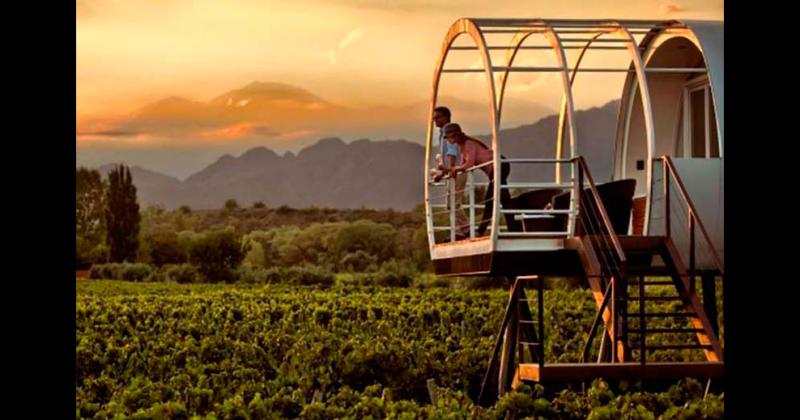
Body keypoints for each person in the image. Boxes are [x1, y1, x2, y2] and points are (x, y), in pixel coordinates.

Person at [444, 123, 513, 236]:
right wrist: (452, 171)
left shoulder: (469, 144)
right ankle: (513, 227)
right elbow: (463, 166)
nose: (448, 140)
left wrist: (454, 169)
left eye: (449, 137)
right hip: (494, 169)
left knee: (490, 199)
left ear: (455, 135)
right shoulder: (462, 147)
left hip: (499, 165)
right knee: (504, 200)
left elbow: (469, 164)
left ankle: (481, 231)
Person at [431, 107, 468, 239]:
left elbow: (452, 152)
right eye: (434, 117)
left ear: (446, 117)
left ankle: (465, 231)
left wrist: (451, 169)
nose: (435, 120)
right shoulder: (442, 133)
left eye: (438, 117)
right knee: (451, 203)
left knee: (453, 203)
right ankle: (461, 231)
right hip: (453, 171)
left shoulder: (449, 131)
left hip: (457, 171)